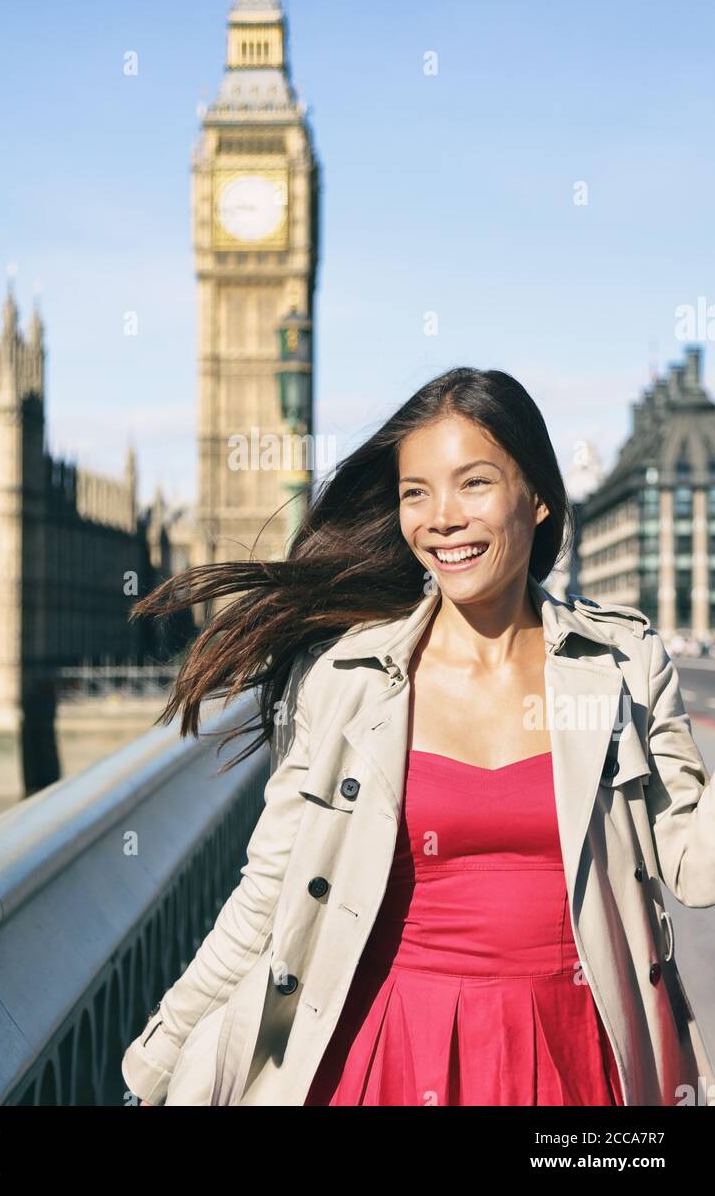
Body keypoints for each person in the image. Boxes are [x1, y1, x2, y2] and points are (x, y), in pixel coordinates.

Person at [122, 365, 715, 1106]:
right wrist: (155, 1061)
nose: (441, 517)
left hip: (579, 1055)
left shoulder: (624, 665)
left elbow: (695, 866)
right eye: (416, 493)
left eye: (474, 484)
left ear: (536, 499)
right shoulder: (348, 678)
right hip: (390, 1054)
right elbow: (269, 898)